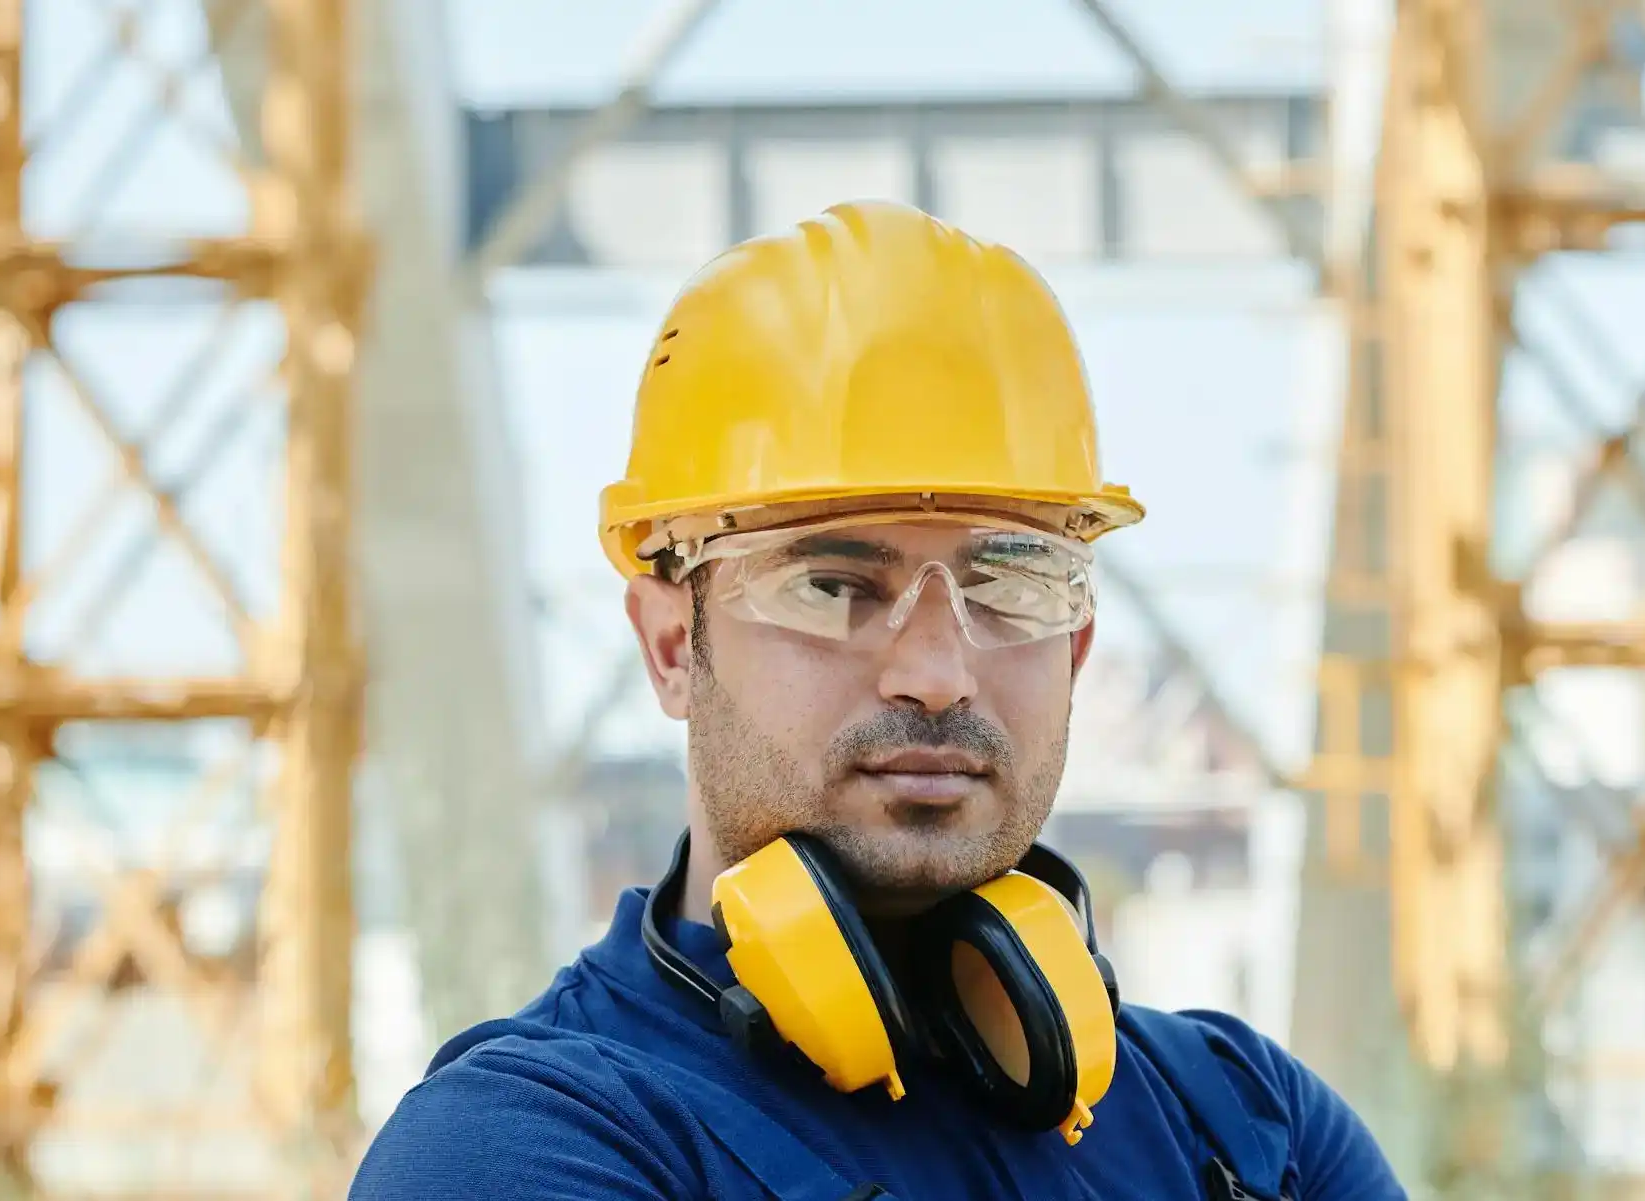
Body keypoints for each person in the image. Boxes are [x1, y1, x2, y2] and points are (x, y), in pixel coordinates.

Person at [349, 200, 1406, 1200]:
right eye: (830, 585)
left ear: (1077, 649)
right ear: (672, 644)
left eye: (1009, 584)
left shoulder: (1249, 1123)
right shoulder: (523, 1144)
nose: (939, 671)